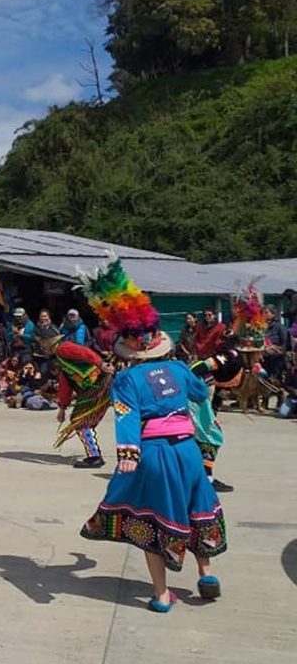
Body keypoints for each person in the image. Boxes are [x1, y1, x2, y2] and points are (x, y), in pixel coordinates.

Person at [79, 258, 226, 612]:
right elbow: (200, 394)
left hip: (154, 452)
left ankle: (162, 595)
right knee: (197, 505)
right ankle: (205, 573)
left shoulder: (127, 379)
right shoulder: (177, 367)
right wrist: (204, 369)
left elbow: (126, 416)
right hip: (188, 449)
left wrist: (127, 454)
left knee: (150, 517)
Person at [38, 334, 114, 469]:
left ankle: (94, 456)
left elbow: (84, 352)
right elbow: (65, 386)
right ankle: (93, 453)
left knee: (80, 420)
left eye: (43, 344)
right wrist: (62, 408)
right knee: (82, 420)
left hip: (97, 383)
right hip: (94, 386)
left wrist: (100, 364)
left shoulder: (63, 348)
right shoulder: (62, 361)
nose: (42, 348)